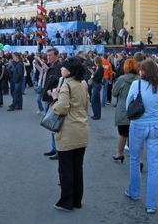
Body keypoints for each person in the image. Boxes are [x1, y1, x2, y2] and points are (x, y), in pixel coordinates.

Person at [125, 58, 158, 214]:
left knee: (135, 159)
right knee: (154, 164)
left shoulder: (137, 84)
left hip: (139, 125)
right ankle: (151, 203)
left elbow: (128, 105)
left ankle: (134, 192)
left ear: (144, 71)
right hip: (155, 126)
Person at [51, 57, 89, 211]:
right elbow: (86, 105)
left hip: (68, 130)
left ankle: (66, 201)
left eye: (64, 67)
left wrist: (55, 98)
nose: (61, 68)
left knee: (65, 168)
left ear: (70, 70)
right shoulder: (82, 84)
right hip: (82, 128)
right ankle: (76, 200)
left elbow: (61, 108)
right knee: (77, 168)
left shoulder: (67, 85)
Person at [112, 58, 138, 162]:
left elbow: (114, 93)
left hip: (123, 109)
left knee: (123, 133)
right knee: (135, 135)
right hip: (136, 109)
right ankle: (136, 158)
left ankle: (119, 153)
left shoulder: (122, 79)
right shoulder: (139, 79)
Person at [42, 48, 62, 159]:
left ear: (57, 55)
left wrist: (52, 94)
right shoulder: (52, 67)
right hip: (49, 100)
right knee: (51, 127)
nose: (48, 57)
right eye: (47, 55)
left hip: (54, 101)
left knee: (55, 126)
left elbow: (60, 86)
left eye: (50, 55)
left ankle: (58, 150)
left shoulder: (59, 68)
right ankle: (54, 148)